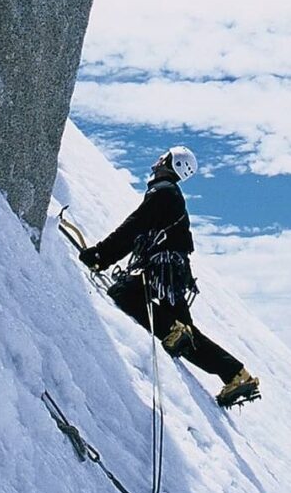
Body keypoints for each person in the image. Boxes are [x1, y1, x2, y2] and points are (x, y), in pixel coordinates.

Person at [79, 146, 260, 407]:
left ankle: (179, 332)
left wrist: (101, 255)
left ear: (170, 162)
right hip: (173, 273)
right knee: (185, 334)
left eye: (162, 158)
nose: (156, 163)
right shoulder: (170, 195)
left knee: (124, 293)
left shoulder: (163, 191)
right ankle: (236, 374)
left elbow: (135, 225)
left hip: (161, 269)